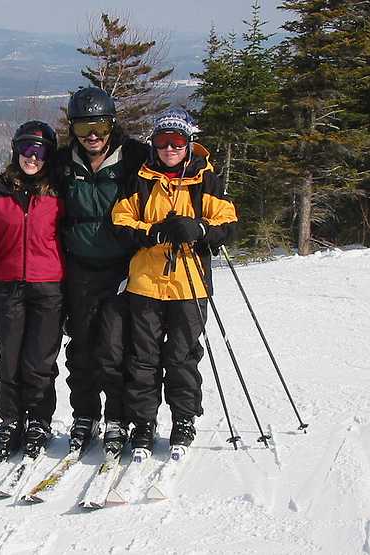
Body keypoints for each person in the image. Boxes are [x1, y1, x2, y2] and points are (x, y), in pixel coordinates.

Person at [111, 107, 238, 456]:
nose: (170, 148)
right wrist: (150, 233)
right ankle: (144, 422)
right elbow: (121, 221)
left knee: (182, 357)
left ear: (188, 143)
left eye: (177, 141)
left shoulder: (205, 178)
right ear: (154, 144)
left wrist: (199, 229)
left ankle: (184, 418)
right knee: (143, 358)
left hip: (190, 285)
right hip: (146, 285)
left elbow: (227, 223)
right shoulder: (141, 178)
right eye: (163, 141)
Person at [0, 120, 65, 460]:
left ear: (49, 155)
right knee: (10, 360)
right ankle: (10, 420)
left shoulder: (59, 192)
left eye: (39, 151)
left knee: (38, 360)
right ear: (15, 151)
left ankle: (37, 419)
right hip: (7, 286)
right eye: (25, 149)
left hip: (48, 285)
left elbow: (74, 236)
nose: (31, 157)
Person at [59, 87, 149, 456]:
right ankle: (85, 415)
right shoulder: (63, 162)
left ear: (112, 123)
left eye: (97, 125)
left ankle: (117, 416)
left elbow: (171, 176)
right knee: (80, 346)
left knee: (114, 347)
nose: (91, 136)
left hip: (120, 268)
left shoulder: (134, 157)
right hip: (79, 268)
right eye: (82, 128)